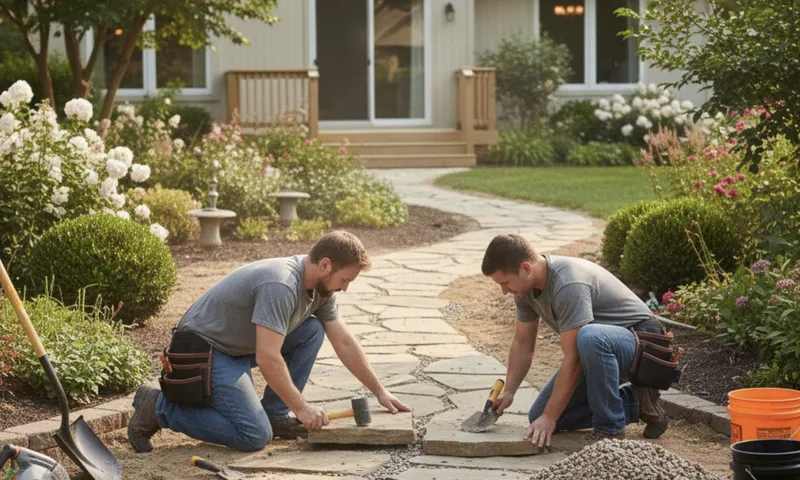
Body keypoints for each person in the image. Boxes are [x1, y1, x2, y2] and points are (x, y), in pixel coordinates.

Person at [127, 231, 411, 453]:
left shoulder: (321, 290)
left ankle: (275, 415)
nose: (345, 289)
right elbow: (268, 357)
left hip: (236, 346)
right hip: (205, 349)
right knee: (253, 435)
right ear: (325, 264)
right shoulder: (282, 285)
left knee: (312, 330)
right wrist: (301, 407)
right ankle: (160, 407)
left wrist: (380, 391)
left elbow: (344, 342)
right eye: (345, 280)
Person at [480, 234, 672, 448]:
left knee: (588, 338)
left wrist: (550, 417)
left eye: (505, 283)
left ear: (526, 268)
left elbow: (574, 360)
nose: (505, 291)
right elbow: (523, 344)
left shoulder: (567, 283)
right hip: (600, 350)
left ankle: (610, 430)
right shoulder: (524, 292)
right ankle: (638, 402)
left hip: (644, 346)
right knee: (538, 416)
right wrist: (510, 391)